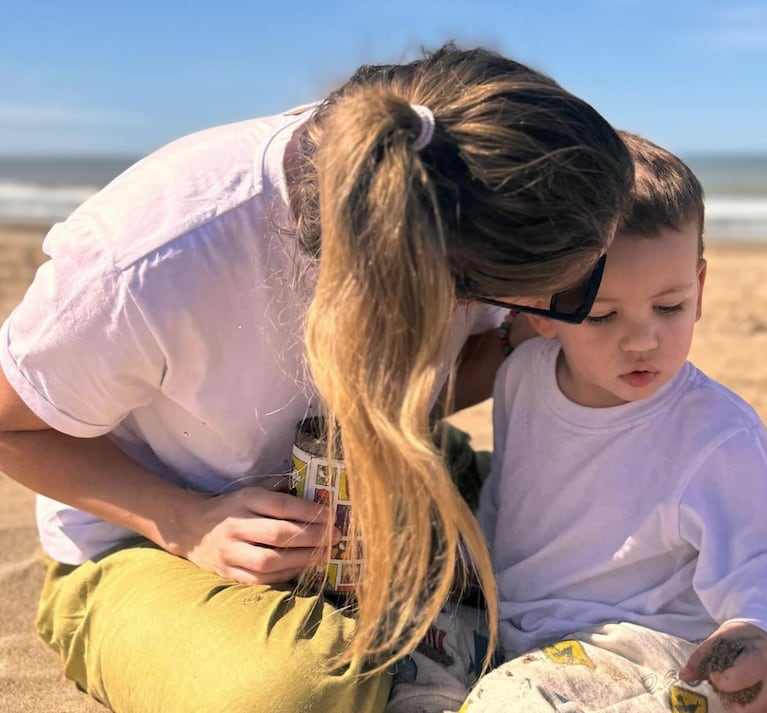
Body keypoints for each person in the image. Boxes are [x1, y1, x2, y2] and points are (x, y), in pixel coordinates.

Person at [0, 44, 633, 713]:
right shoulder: (153, 258)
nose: (580, 303)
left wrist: (518, 338)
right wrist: (184, 519)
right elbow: (13, 423)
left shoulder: (446, 192)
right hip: (145, 542)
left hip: (372, 496)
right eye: (564, 292)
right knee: (288, 693)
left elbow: (445, 375)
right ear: (430, 275)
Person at [461, 133, 767, 712]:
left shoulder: (717, 433)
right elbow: (510, 501)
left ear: (699, 290)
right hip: (518, 629)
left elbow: (758, 555)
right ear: (542, 310)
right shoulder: (521, 376)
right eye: (602, 316)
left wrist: (754, 629)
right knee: (398, 660)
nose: (644, 339)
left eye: (670, 307)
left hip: (644, 649)